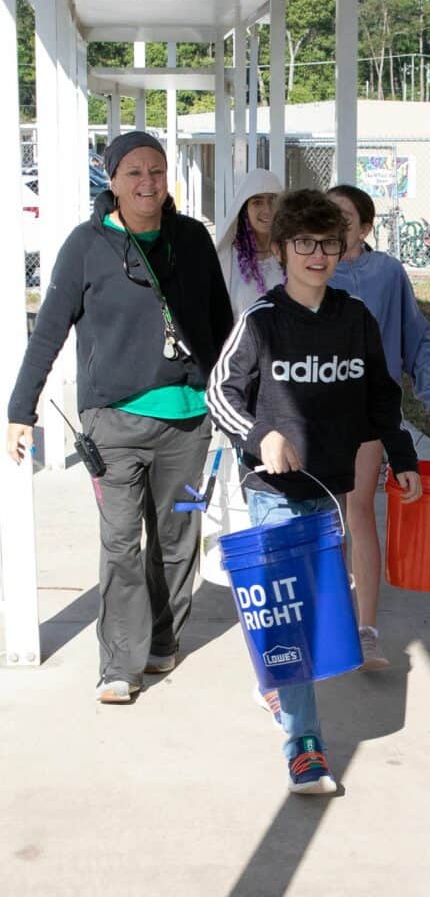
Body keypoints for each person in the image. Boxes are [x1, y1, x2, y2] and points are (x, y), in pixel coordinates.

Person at [206, 189, 421, 794]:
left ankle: (274, 678)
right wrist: (261, 436)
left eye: (329, 243)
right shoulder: (262, 321)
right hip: (274, 489)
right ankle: (305, 745)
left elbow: (382, 394)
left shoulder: (355, 318)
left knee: (319, 610)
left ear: (344, 249)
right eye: (304, 243)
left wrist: (401, 459)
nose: (318, 254)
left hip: (333, 485)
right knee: (293, 611)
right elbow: (219, 393)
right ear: (281, 250)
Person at [7, 131, 233, 703]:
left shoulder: (193, 240)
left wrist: (238, 401)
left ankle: (163, 639)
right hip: (113, 425)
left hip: (188, 423)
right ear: (111, 180)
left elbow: (223, 327)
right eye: (133, 172)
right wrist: (20, 410)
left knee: (179, 538)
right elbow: (50, 330)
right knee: (120, 542)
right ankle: (120, 665)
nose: (147, 182)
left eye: (155, 170)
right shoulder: (86, 245)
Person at [326, 185, 430, 669]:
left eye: (344, 218)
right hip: (315, 411)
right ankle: (331, 621)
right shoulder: (310, 268)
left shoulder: (387, 273)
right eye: (327, 217)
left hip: (368, 414)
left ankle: (366, 631)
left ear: (365, 226)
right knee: (325, 518)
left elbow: (417, 337)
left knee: (357, 510)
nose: (335, 228)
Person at [216, 167, 284, 313]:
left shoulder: (293, 253)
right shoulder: (226, 258)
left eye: (272, 201)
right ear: (244, 208)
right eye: (257, 202)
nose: (267, 210)